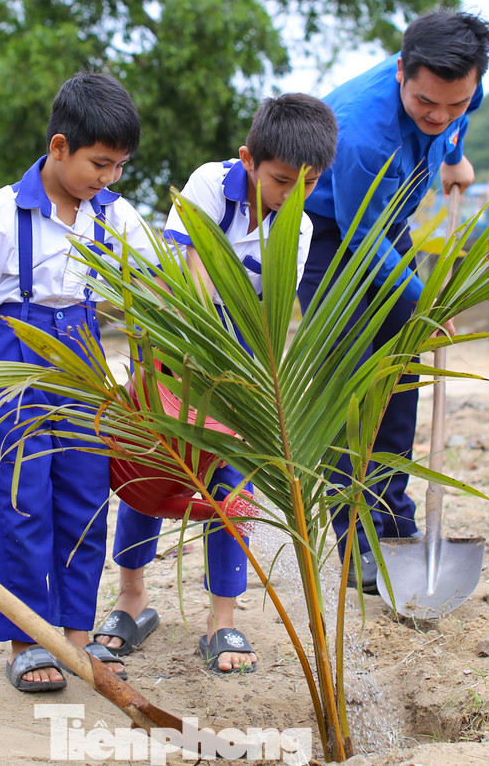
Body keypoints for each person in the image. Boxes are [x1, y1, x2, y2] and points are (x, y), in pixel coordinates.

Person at [0, 71, 159, 693]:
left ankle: (76, 638)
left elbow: (151, 289)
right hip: (12, 354)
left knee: (84, 494)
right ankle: (28, 640)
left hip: (82, 354)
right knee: (19, 499)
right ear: (59, 147)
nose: (108, 177)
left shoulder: (115, 213)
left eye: (119, 166)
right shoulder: (3, 211)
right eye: (99, 164)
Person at [95, 93, 338, 673]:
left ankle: (222, 620)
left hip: (238, 366)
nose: (291, 196)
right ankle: (131, 598)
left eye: (307, 185)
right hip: (175, 348)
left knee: (233, 486)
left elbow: (270, 312)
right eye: (281, 181)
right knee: (150, 467)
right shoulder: (210, 183)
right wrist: (203, 349)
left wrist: (256, 385)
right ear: (249, 159)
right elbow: (194, 271)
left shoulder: (299, 228)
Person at [294, 9, 489, 594]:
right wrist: (425, 298)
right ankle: (356, 537)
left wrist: (453, 153)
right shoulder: (360, 132)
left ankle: (396, 522)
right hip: (331, 233)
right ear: (402, 71)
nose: (439, 115)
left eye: (455, 104)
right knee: (352, 381)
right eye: (425, 103)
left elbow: (455, 120)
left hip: (388, 224)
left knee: (401, 370)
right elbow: (360, 238)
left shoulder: (458, 94)